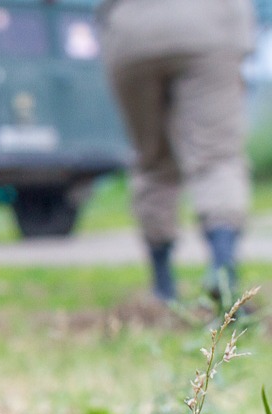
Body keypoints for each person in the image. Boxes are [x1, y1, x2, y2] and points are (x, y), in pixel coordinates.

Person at [98, 0, 255, 304]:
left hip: (132, 32)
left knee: (153, 161)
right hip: (210, 24)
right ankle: (222, 271)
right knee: (216, 157)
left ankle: (163, 286)